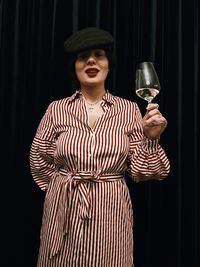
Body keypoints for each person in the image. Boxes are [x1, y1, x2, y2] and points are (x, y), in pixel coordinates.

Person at [30, 27, 170, 267]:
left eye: (99, 55)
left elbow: (144, 171)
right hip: (64, 210)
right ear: (74, 66)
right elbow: (39, 159)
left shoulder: (128, 110)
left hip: (111, 212)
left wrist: (151, 138)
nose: (91, 60)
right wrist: (60, 189)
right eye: (83, 57)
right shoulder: (57, 109)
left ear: (108, 65)